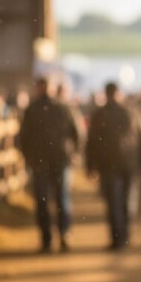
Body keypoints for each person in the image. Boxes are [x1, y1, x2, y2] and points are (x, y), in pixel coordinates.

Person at [86, 81, 141, 250]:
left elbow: (92, 142)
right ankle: (126, 235)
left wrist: (91, 166)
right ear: (119, 93)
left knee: (113, 202)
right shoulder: (134, 112)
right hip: (131, 164)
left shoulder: (100, 114)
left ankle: (117, 239)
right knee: (128, 201)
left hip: (109, 164)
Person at [19, 77, 80, 253]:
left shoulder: (32, 109)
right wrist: (73, 153)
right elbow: (77, 133)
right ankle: (64, 234)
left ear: (38, 88)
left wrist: (28, 156)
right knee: (62, 198)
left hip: (40, 161)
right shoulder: (64, 107)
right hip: (61, 159)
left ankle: (46, 239)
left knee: (42, 200)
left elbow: (24, 137)